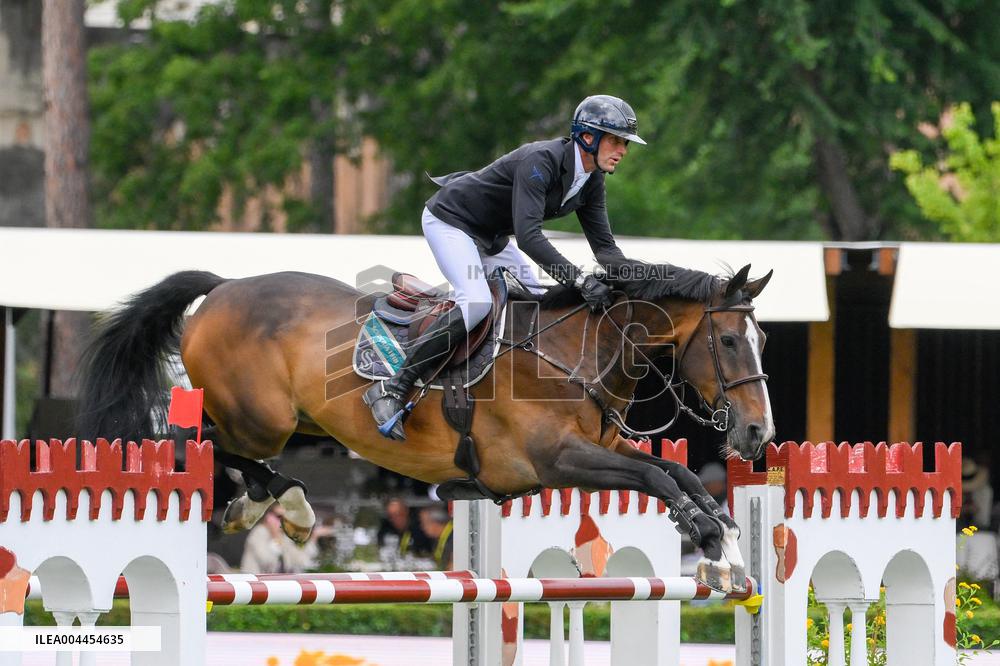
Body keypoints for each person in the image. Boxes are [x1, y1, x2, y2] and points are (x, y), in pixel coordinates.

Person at [364, 94, 646, 440]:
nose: (623, 150)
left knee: (542, 299)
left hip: (492, 237)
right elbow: (529, 238)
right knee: (477, 302)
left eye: (625, 143)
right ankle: (394, 387)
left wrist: (638, 280)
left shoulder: (592, 180)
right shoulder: (541, 160)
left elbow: (604, 247)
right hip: (452, 222)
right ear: (588, 137)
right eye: (616, 140)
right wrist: (580, 281)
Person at [239, 505, 331, 574]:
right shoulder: (258, 533)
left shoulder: (284, 535)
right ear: (268, 517)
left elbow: (300, 561)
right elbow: (268, 563)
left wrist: (314, 537)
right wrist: (276, 538)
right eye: (279, 516)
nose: (283, 521)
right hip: (254, 583)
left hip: (276, 585)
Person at [418, 506, 454, 570]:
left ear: (435, 523)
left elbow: (452, 567)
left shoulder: (454, 537)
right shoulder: (439, 538)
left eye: (424, 523)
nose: (422, 527)